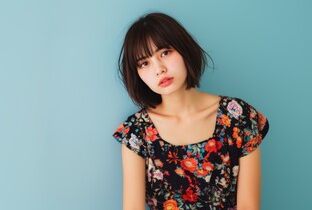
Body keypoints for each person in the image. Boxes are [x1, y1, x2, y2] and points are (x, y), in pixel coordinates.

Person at [112, 12, 269, 210]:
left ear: (183, 49)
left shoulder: (238, 116)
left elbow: (249, 206)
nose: (159, 69)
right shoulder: (136, 133)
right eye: (144, 63)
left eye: (165, 53)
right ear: (137, 74)